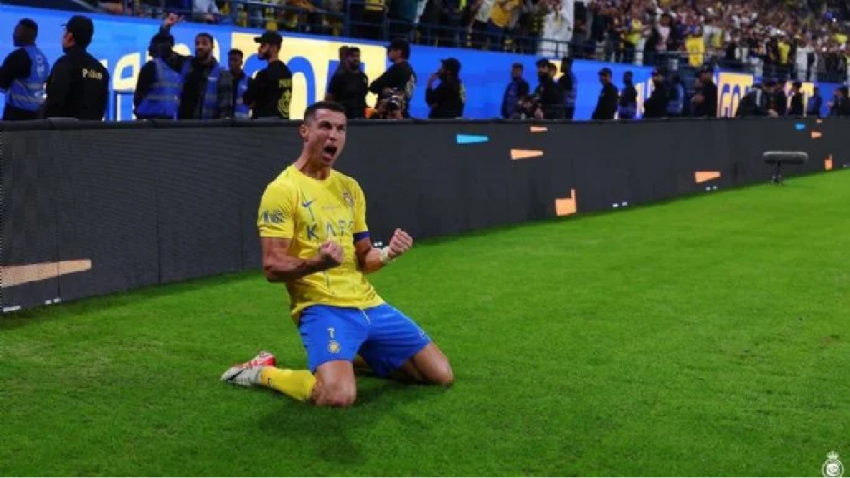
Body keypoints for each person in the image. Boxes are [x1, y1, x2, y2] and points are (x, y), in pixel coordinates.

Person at [221, 101, 454, 407]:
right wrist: (318, 262)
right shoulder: (282, 190)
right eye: (325, 126)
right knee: (337, 395)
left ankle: (347, 355)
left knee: (439, 374)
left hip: (369, 304)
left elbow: (364, 258)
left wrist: (388, 254)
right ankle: (263, 372)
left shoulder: (349, 188)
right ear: (305, 131)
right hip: (322, 306)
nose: (334, 135)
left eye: (341, 129)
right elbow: (272, 266)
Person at [157, 15, 232, 120]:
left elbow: (225, 109)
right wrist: (165, 29)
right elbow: (164, 53)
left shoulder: (222, 74)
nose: (200, 46)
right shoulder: (186, 64)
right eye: (197, 43)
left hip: (207, 127)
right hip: (181, 125)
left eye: (204, 43)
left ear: (212, 47)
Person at [43, 15, 109, 120]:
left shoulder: (64, 64)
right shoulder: (101, 70)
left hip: (65, 129)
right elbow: (102, 107)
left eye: (65, 32)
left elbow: (54, 102)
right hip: (92, 129)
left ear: (69, 36)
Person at [0, 18, 50, 121]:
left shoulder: (18, 57)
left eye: (16, 31)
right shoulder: (43, 58)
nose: (13, 34)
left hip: (16, 115)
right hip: (36, 116)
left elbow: (2, 84)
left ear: (24, 34)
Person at [243, 31, 292, 120]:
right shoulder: (287, 73)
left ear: (273, 48)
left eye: (263, 45)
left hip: (264, 124)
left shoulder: (264, 75)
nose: (259, 49)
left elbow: (247, 99)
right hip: (283, 123)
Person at [134, 33, 180, 120]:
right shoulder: (177, 68)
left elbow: (139, 95)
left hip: (149, 119)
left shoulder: (151, 66)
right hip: (170, 119)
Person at [369, 39, 416, 118]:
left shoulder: (396, 69)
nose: (388, 53)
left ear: (399, 52)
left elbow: (373, 86)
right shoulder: (411, 71)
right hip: (402, 112)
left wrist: (384, 90)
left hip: (389, 114)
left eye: (390, 50)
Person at [325, 46, 368, 119]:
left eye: (357, 56)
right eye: (353, 56)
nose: (356, 59)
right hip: (343, 117)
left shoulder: (363, 77)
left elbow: (362, 97)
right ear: (346, 58)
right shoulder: (339, 77)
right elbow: (329, 97)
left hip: (360, 117)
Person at [228, 49, 251, 119]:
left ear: (241, 62)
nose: (232, 63)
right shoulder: (223, 79)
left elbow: (253, 103)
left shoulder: (249, 81)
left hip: (242, 122)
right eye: (230, 60)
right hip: (226, 121)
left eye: (235, 60)